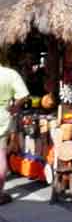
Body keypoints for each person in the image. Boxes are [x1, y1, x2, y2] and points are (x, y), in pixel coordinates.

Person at [0, 61, 28, 205]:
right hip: (2, 116)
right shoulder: (10, 74)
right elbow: (23, 94)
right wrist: (15, 107)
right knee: (0, 155)